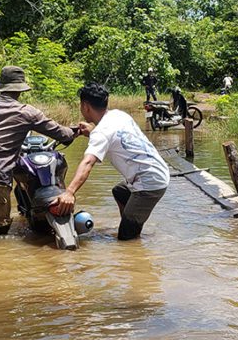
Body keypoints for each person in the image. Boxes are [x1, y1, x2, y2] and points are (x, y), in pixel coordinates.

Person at [0, 65, 79, 241]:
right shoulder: (27, 112)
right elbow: (63, 134)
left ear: (1, 87)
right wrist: (76, 130)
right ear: (20, 90)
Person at [51, 83, 169, 240]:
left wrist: (69, 192)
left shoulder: (101, 133)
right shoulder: (119, 115)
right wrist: (92, 132)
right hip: (158, 172)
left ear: (85, 106)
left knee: (126, 239)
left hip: (149, 184)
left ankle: (132, 233)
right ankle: (133, 219)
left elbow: (88, 163)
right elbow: (111, 135)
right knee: (120, 192)